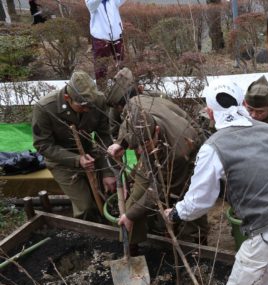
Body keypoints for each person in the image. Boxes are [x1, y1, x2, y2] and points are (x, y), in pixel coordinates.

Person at [163, 88, 268, 285]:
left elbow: (200, 201)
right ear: (243, 103)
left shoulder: (214, 147)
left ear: (210, 112)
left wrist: (175, 213)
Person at [107, 87, 207, 248]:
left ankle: (197, 245)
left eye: (144, 145)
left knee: (188, 200)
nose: (139, 152)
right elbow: (127, 126)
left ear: (157, 131)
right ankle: (132, 248)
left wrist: (131, 215)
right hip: (160, 148)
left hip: (189, 152)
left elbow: (159, 190)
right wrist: (121, 144)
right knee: (134, 202)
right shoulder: (134, 107)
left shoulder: (178, 153)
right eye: (136, 147)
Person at [32, 71, 114, 221]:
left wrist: (108, 172)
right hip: (62, 162)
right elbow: (43, 145)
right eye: (82, 106)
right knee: (86, 207)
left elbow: (104, 136)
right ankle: (90, 236)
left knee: (110, 195)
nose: (88, 110)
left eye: (91, 106)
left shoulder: (99, 100)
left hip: (91, 155)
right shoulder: (45, 108)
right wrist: (77, 160)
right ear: (67, 98)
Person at [85, 0, 127, 82]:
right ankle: (102, 89)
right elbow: (91, 6)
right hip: (100, 37)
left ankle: (122, 86)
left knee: (121, 63)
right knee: (101, 67)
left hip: (117, 35)